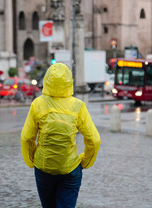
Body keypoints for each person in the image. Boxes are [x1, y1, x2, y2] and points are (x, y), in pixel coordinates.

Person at [21, 63, 101, 208]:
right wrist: (85, 161)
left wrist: (32, 160)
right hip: (70, 168)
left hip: (44, 168)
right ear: (69, 82)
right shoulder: (78, 106)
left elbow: (27, 138)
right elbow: (94, 140)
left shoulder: (37, 104)